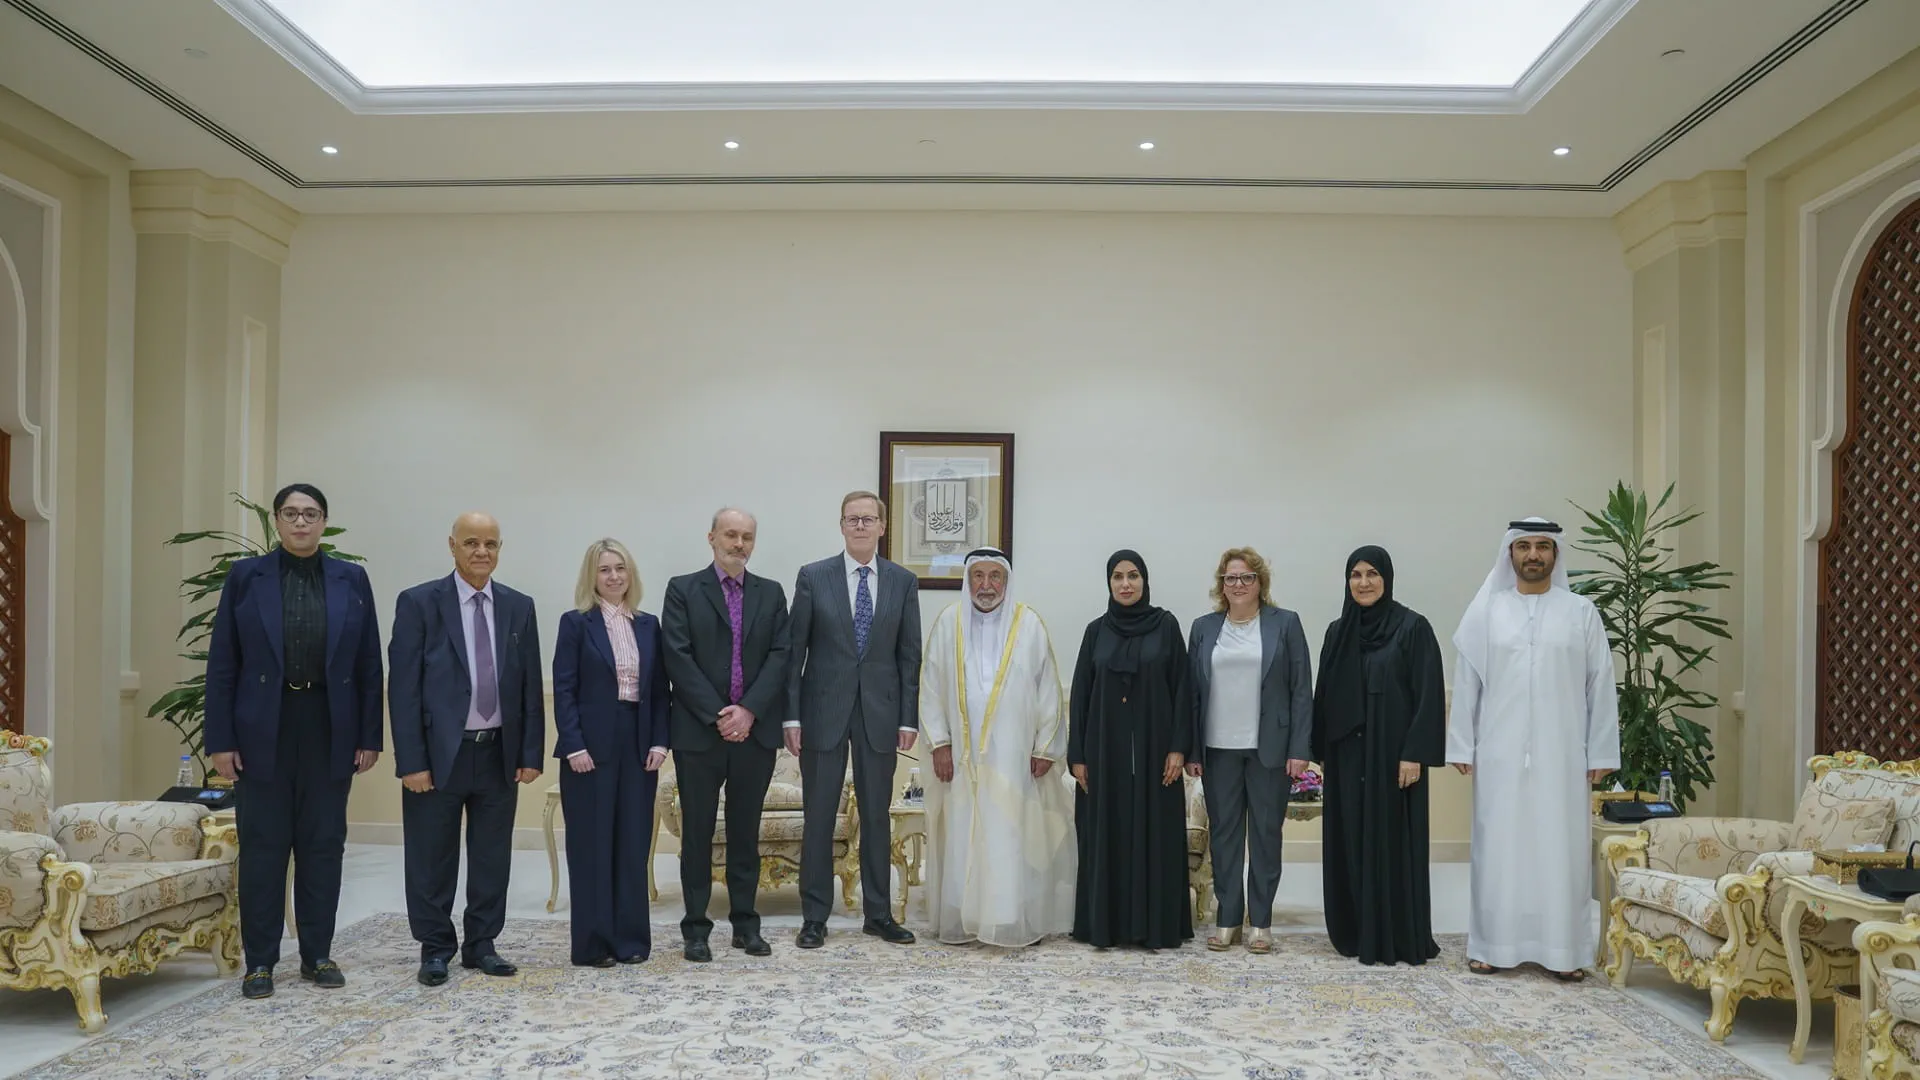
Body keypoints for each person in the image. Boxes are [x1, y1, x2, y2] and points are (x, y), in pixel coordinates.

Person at [203, 483, 383, 1000]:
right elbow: (223, 664)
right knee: (263, 847)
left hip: (329, 725)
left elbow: (369, 663)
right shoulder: (246, 577)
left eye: (310, 514)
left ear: (324, 521)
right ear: (278, 522)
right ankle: (259, 963)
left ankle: (317, 955)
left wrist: (369, 734)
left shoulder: (351, 579)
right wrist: (221, 739)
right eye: (290, 513)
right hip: (263, 726)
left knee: (323, 844)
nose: (300, 522)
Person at [1446, 518, 1619, 980]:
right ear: (1510, 554)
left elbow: (1600, 684)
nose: (1533, 555)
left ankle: (1564, 952)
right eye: (1524, 546)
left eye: (1543, 546)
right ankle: (1490, 945)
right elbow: (1468, 683)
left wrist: (1601, 753)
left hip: (1564, 754)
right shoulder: (1487, 611)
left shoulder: (1580, 612)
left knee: (1560, 849)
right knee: (1497, 848)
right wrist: (1462, 743)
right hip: (1498, 753)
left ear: (1556, 555)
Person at [389, 512, 546, 986]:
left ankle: (482, 943)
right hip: (440, 755)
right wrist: (412, 761)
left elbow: (529, 687)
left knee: (491, 855)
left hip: (498, 751)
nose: (482, 552)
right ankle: (435, 946)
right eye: (472, 543)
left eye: (491, 544)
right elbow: (404, 689)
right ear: (452, 546)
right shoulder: (420, 603)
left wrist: (530, 753)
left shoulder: (519, 606)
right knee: (431, 856)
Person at [785, 490, 922, 948]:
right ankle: (814, 917)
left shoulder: (903, 582)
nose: (861, 526)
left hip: (880, 715)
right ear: (841, 526)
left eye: (869, 519)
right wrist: (791, 717)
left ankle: (878, 914)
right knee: (820, 816)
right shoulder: (814, 576)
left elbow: (909, 656)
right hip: (822, 711)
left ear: (883, 526)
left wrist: (908, 718)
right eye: (852, 519)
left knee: (877, 817)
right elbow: (794, 652)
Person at [920, 547, 1075, 946]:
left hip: (1014, 758)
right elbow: (932, 688)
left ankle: (1008, 919)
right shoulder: (948, 622)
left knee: (1010, 835)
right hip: (961, 760)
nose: (986, 586)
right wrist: (939, 743)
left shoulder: (1029, 624)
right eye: (979, 577)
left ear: (1006, 581)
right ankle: (963, 919)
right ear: (967, 580)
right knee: (962, 835)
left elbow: (1048, 692)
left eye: (995, 577)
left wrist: (1045, 747)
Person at [660, 508, 790, 961]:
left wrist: (748, 711)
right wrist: (720, 714)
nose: (739, 543)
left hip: (753, 735)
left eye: (747, 537)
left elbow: (781, 656)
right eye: (731, 535)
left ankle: (745, 925)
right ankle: (696, 928)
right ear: (711, 537)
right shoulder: (682, 590)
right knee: (697, 833)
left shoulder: (772, 594)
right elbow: (677, 656)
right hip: (699, 734)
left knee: (744, 832)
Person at [1312, 545, 1447, 966]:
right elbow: (1324, 696)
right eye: (1356, 574)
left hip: (1394, 759)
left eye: (1372, 574)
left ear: (1386, 578)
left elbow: (1427, 695)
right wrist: (1321, 754)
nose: (1364, 582)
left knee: (1392, 842)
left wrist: (1414, 754)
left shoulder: (1412, 628)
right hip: (1348, 759)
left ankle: (1396, 934)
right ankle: (1354, 930)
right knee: (1352, 839)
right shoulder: (1338, 632)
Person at [1184, 547, 1312, 954]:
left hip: (1269, 750)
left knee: (1265, 835)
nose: (1237, 585)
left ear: (1260, 582)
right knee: (1223, 837)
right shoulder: (1204, 628)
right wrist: (1192, 750)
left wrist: (1299, 748)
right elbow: (1191, 696)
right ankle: (1227, 920)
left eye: (1246, 578)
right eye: (1230, 578)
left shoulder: (1285, 624)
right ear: (1221, 584)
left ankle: (1261, 922)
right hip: (1218, 749)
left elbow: (1300, 691)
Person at [1068, 549, 1193, 950]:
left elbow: (1183, 691)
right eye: (1118, 576)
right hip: (1105, 756)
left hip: (1158, 758)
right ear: (1109, 582)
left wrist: (1178, 748)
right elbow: (1082, 696)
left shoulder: (1166, 626)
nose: (1126, 584)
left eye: (1133, 576)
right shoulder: (1095, 632)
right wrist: (1078, 757)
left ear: (1145, 581)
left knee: (1156, 834)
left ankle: (1156, 926)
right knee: (1107, 833)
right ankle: (1108, 925)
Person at [552, 538, 669, 967]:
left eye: (620, 568)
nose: (614, 576)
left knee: (632, 844)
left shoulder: (648, 624)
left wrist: (660, 740)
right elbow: (563, 689)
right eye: (605, 570)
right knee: (592, 846)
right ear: (592, 577)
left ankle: (631, 940)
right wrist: (574, 745)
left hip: (638, 745)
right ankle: (593, 944)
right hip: (589, 748)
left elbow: (659, 690)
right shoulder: (575, 624)